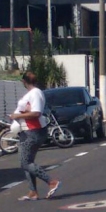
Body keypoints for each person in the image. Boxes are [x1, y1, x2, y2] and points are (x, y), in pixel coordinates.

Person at [9, 72, 61, 201]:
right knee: (27, 161)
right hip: (27, 131)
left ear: (23, 81)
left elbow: (36, 113)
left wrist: (17, 116)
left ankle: (51, 182)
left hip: (33, 131)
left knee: (25, 162)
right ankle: (32, 191)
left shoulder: (35, 93)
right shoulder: (32, 94)